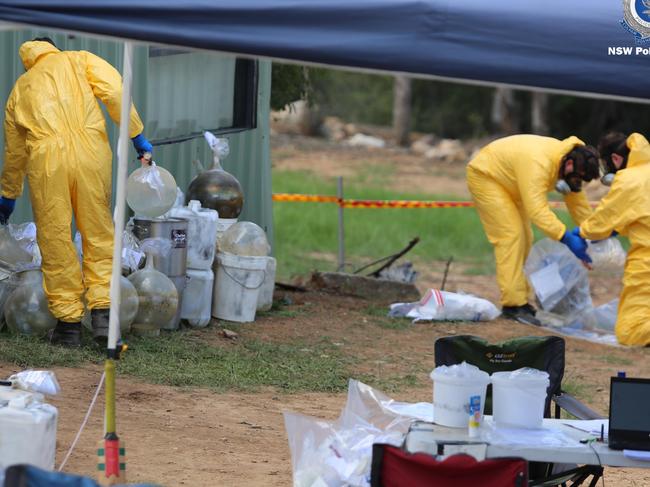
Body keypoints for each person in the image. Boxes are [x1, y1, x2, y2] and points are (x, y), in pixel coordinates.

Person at [0, 38, 153, 347]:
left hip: (46, 162)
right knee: (98, 232)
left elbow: (15, 153)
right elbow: (114, 92)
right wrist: (137, 135)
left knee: (55, 238)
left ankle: (68, 326)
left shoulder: (20, 88)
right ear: (54, 48)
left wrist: (8, 195)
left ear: (30, 59)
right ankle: (103, 315)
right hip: (90, 152)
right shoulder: (80, 59)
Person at [466, 134, 599, 326]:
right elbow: (538, 211)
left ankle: (522, 301)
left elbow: (578, 205)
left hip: (509, 181)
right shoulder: (539, 164)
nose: (576, 181)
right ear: (569, 163)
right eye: (577, 177)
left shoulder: (569, 163)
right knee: (511, 237)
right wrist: (567, 238)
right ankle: (512, 305)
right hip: (486, 176)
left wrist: (594, 235)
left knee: (525, 238)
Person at [570, 132, 650, 346]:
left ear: (616, 159)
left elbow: (601, 223)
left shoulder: (629, 179)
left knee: (630, 331)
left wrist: (578, 233)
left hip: (646, 262)